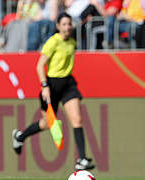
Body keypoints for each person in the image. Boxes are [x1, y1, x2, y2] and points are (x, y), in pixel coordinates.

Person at [12, 12, 95, 170]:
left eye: (69, 24)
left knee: (77, 120)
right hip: (50, 86)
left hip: (68, 85)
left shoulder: (72, 42)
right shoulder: (52, 42)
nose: (67, 27)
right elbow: (39, 66)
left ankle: (82, 159)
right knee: (46, 124)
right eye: (63, 24)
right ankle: (20, 136)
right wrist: (44, 86)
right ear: (57, 26)